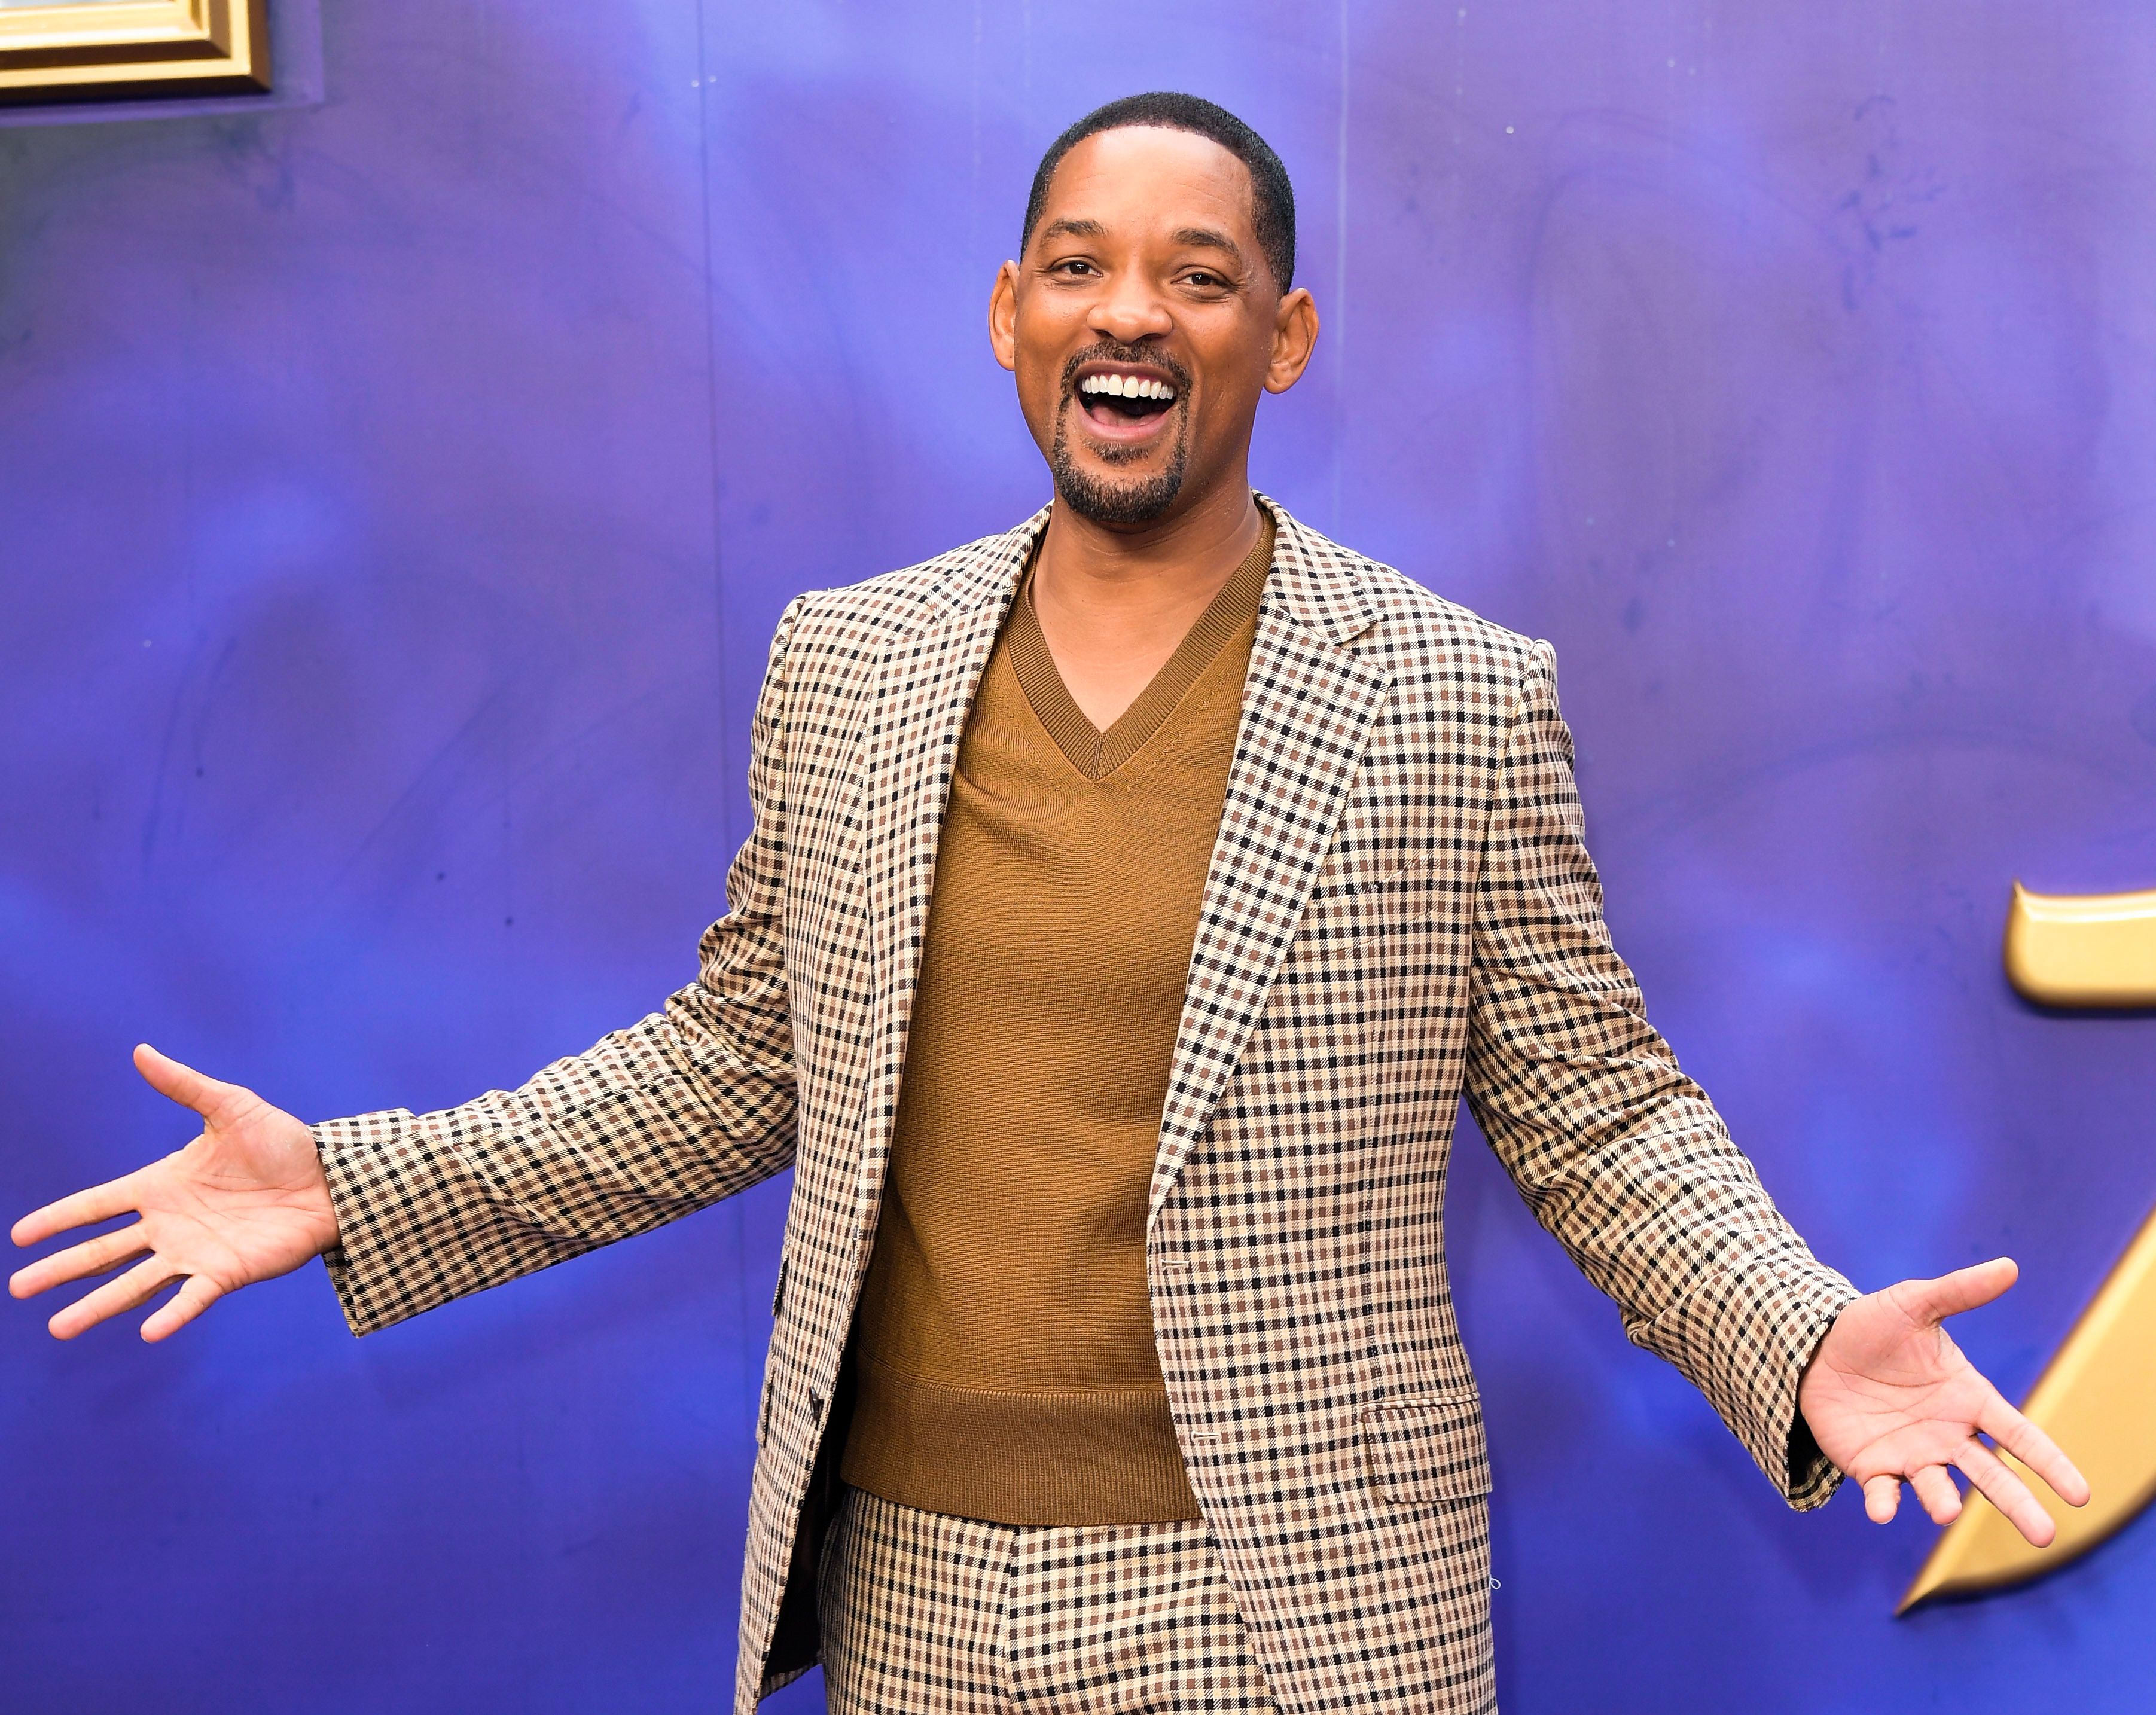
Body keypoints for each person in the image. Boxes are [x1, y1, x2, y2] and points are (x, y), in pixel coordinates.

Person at [10, 92, 2086, 1715]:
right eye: (1080, 266)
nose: (1131, 312)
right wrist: (355, 1184)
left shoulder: (1451, 693)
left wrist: (1795, 1331)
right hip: (911, 1589)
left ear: (1283, 338)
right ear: (1010, 313)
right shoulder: (850, 664)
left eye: (1199, 275)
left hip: (1299, 1605)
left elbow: (1598, 1108)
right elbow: (736, 1061)